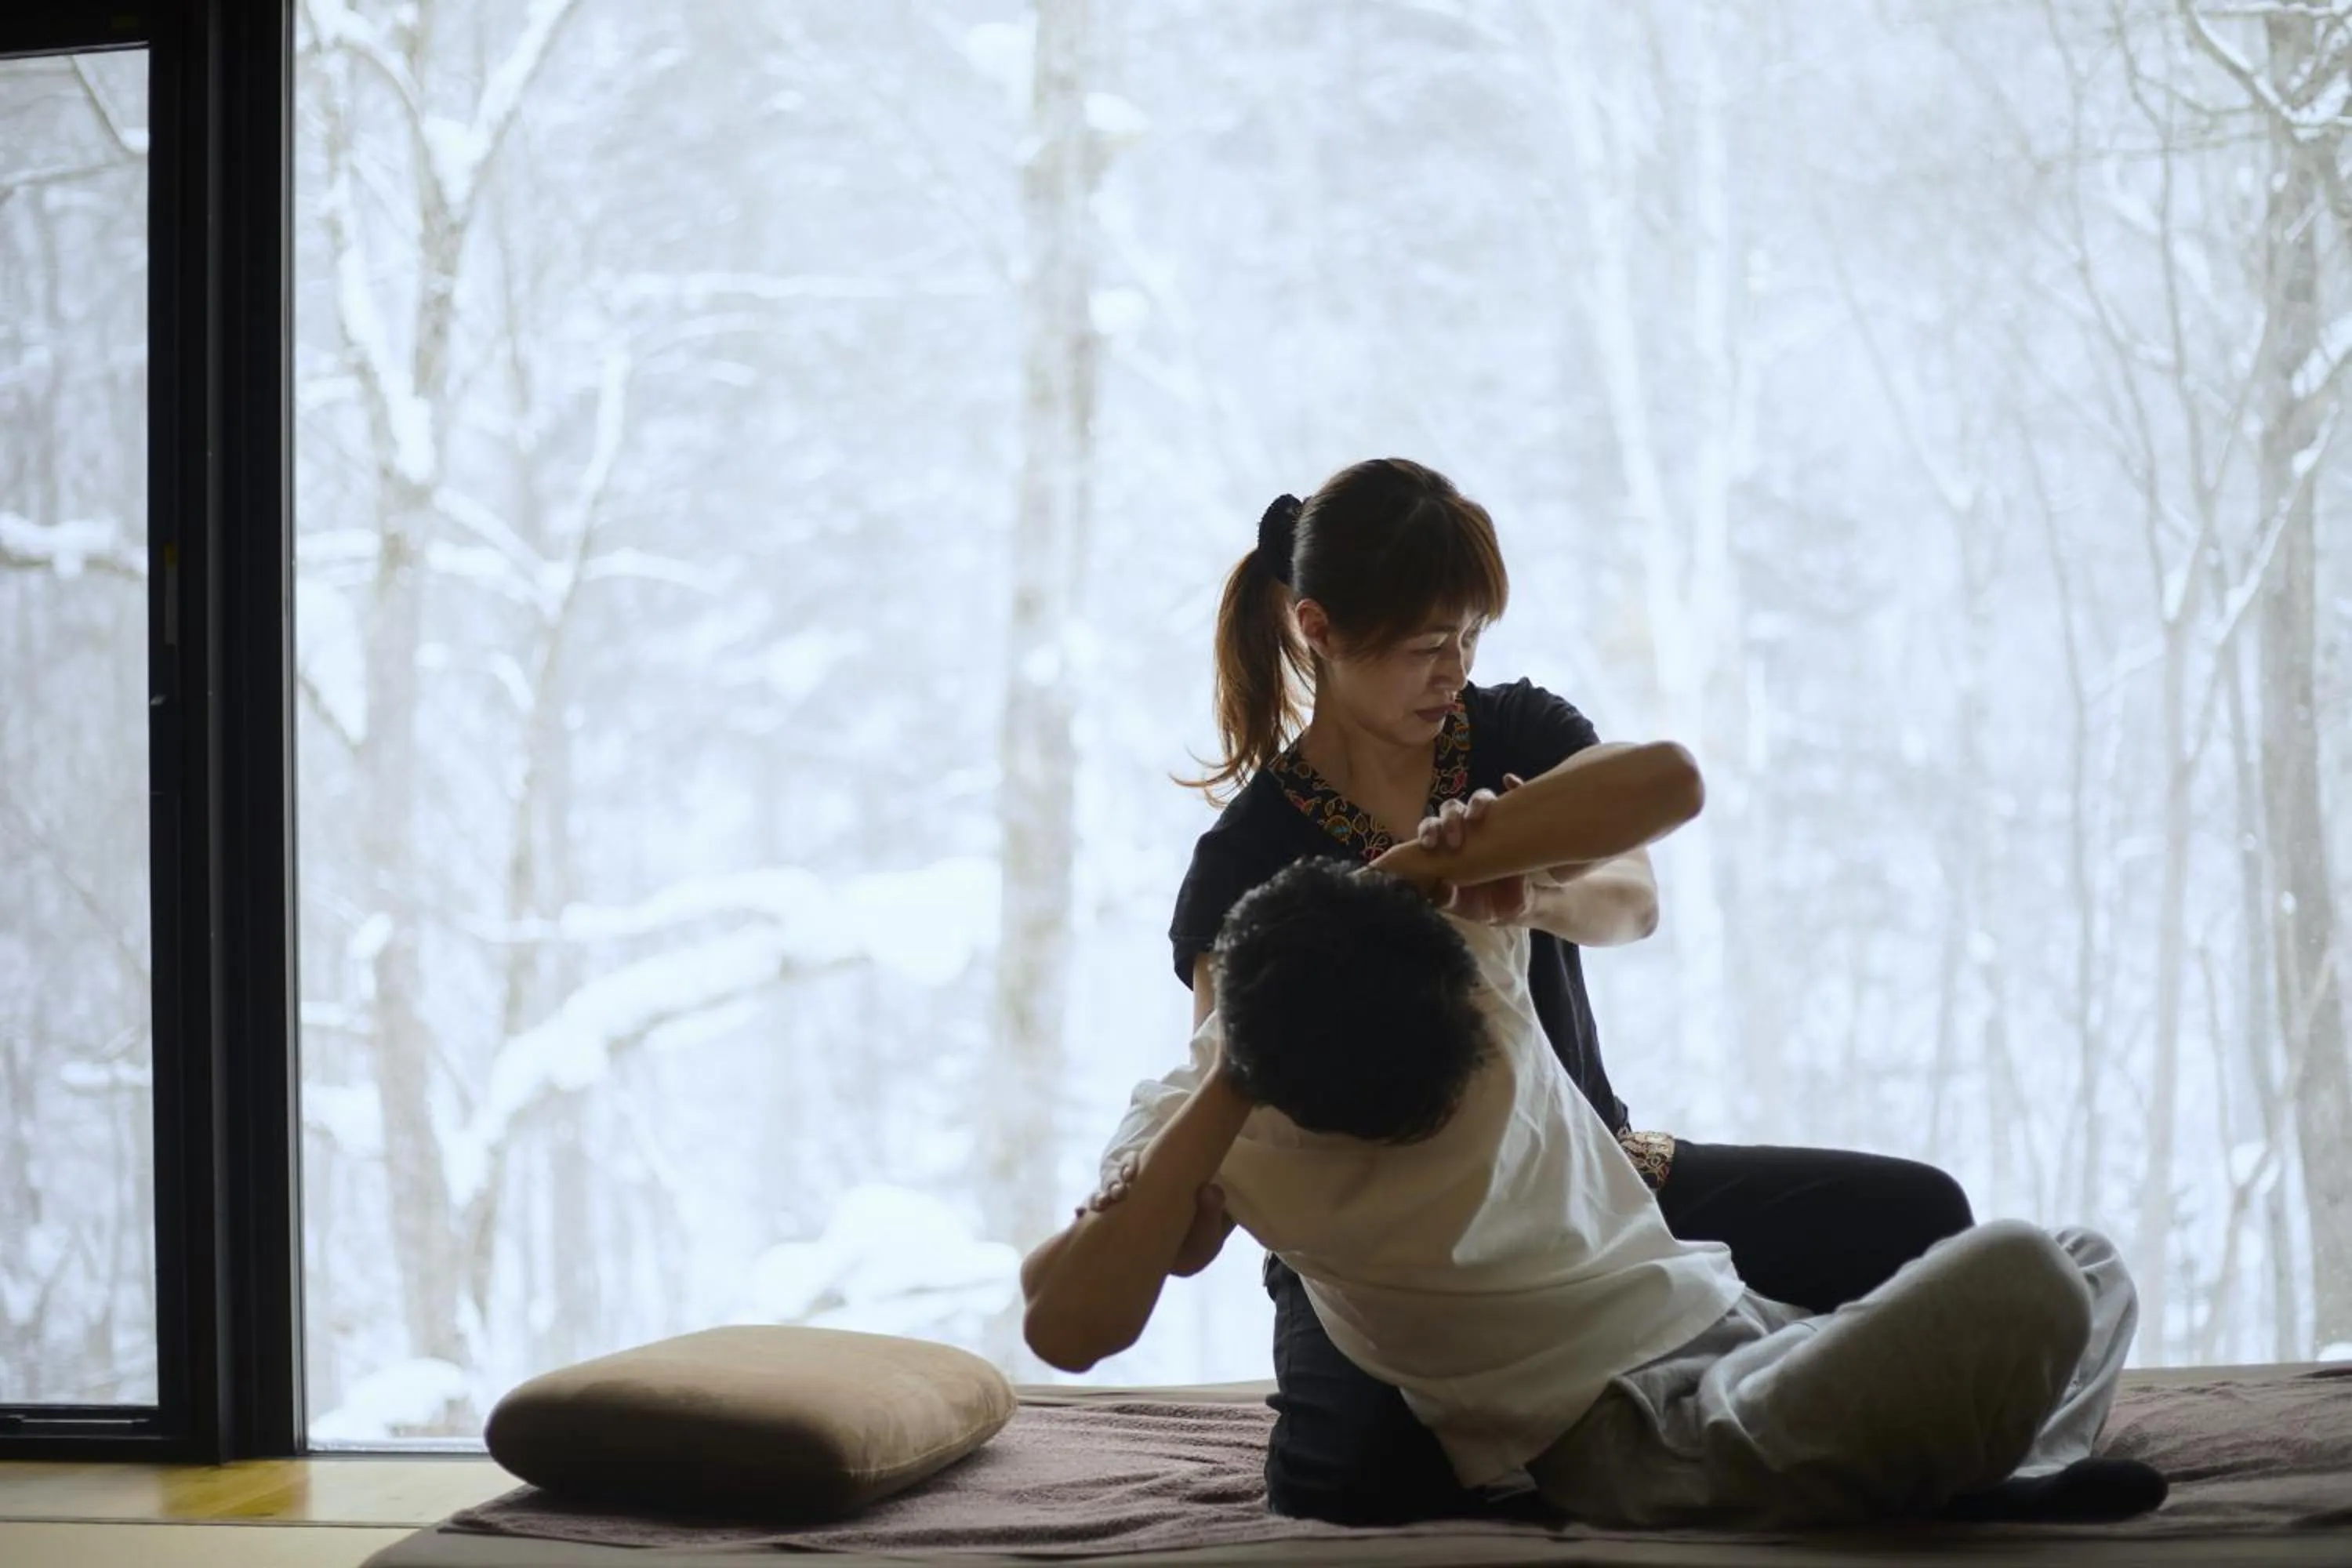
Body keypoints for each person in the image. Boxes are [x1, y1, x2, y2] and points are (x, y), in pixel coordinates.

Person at [1020, 761, 2165, 1528]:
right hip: (1637, 1438)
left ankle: (2000, 1468)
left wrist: (1425, 864)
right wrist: (1230, 1077)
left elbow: (1669, 780)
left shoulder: (1443, 942)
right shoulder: (1205, 1119)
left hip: (1739, 1323)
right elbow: (1066, 1325)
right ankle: (1974, 1465)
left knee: (2085, 1263)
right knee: (2021, 1274)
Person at [1163, 456, 1978, 1522]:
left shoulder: (1514, 732)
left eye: (1470, 637)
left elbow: (1633, 900)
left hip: (1594, 1178)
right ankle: (1643, 1429)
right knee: (1348, 1480)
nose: (1454, 670)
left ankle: (1745, 1399)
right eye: (1425, 647)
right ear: (1317, 629)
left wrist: (1528, 891)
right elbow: (1229, 1086)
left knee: (1923, 1221)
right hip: (1388, 1253)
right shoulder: (1246, 855)